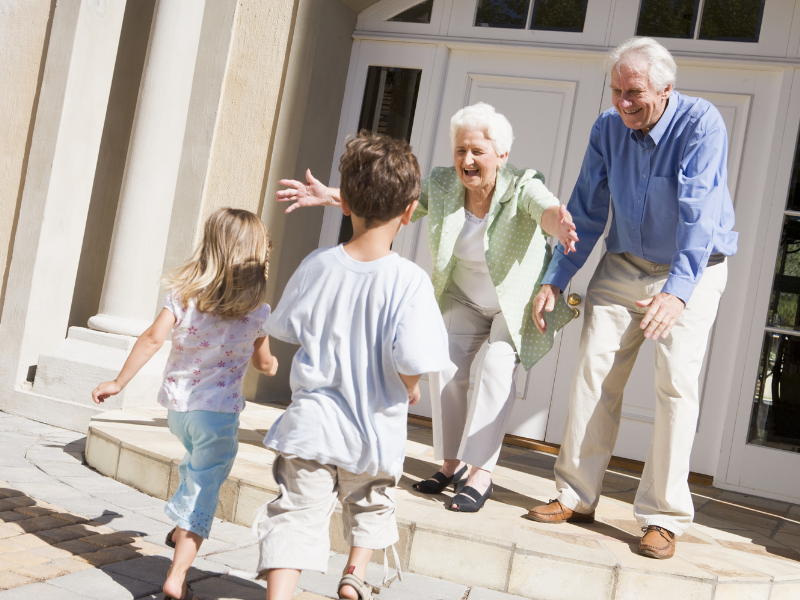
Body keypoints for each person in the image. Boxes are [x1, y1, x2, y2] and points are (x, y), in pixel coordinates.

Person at [276, 103, 577, 513]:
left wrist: (556, 223)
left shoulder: (523, 185)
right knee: (447, 368)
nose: (466, 161)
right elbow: (391, 201)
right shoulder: (442, 183)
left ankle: (481, 471)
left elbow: (543, 208)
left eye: (477, 152)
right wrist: (332, 195)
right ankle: (451, 463)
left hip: (513, 302)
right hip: (464, 296)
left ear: (501, 156)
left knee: (495, 368)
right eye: (459, 151)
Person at [528, 37, 738, 560]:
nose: (623, 103)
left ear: (666, 89)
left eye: (635, 92)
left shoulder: (701, 123)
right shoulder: (607, 128)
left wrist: (679, 292)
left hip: (694, 266)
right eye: (617, 90)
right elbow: (587, 208)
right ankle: (576, 495)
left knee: (674, 385)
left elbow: (698, 212)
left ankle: (663, 516)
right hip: (624, 264)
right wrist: (558, 277)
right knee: (594, 373)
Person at [255, 132, 450, 600]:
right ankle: (353, 574)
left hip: (312, 425)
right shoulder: (411, 281)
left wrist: (263, 354)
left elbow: (284, 328)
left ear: (344, 204)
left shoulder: (317, 265)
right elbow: (412, 358)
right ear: (410, 211)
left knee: (296, 513)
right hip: (373, 428)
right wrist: (412, 385)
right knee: (371, 503)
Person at [91, 208, 279, 600]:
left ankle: (178, 529)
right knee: (204, 491)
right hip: (219, 417)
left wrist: (118, 381)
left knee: (195, 469)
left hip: (178, 411)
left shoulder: (183, 297)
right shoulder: (258, 312)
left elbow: (150, 339)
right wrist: (273, 363)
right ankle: (177, 576)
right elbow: (265, 364)